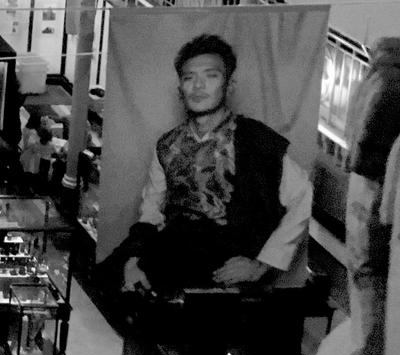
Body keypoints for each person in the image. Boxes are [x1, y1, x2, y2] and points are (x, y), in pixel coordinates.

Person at [103, 33, 312, 297]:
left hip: (224, 256)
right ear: (180, 88)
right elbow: (151, 211)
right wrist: (133, 260)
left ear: (230, 84)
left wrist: (262, 264)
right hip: (171, 246)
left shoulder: (256, 140)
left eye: (211, 76)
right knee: (104, 279)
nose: (198, 86)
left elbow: (303, 198)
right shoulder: (168, 145)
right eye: (189, 78)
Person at [316, 37, 400, 355]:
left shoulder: (376, 78)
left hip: (364, 202)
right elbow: (372, 158)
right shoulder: (392, 84)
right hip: (375, 208)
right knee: (376, 337)